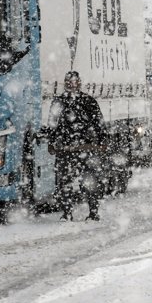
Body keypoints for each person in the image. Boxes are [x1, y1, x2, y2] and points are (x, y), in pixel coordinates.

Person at [48, 71, 107, 221]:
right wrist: (52, 142)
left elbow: (99, 124)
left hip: (85, 149)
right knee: (65, 183)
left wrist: (101, 141)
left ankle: (93, 213)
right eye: (69, 82)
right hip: (68, 150)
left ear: (79, 83)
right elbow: (52, 125)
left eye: (74, 82)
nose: (71, 85)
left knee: (89, 182)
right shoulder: (59, 102)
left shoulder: (88, 101)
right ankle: (68, 213)